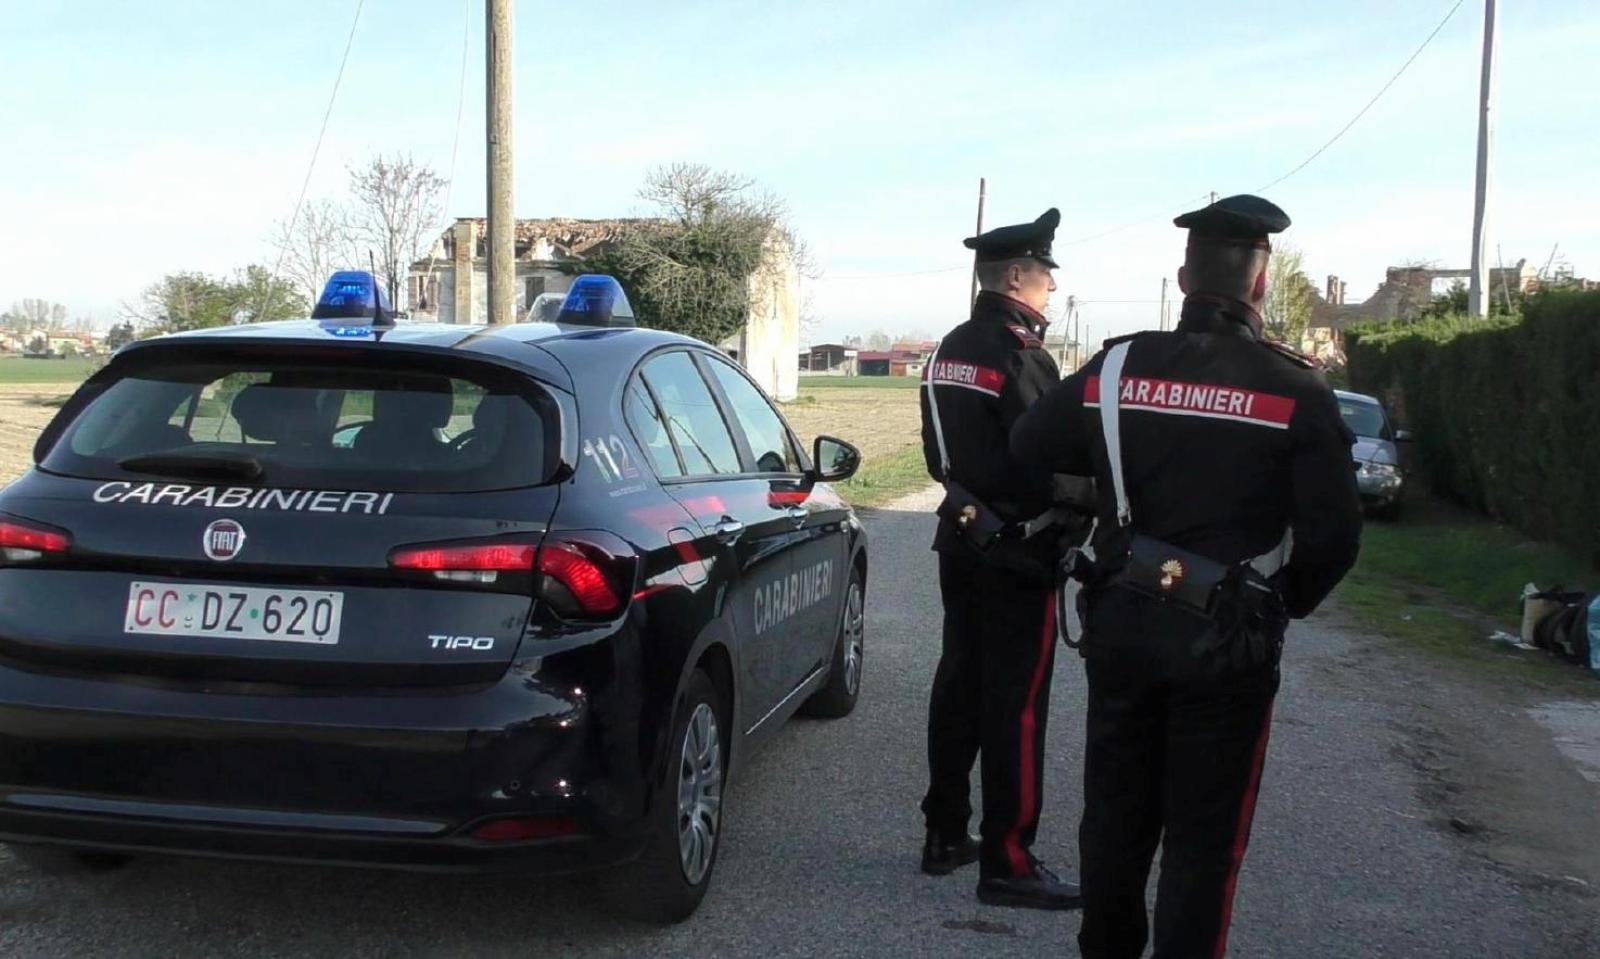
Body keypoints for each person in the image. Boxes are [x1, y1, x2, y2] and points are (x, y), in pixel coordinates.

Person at [1009, 195, 1362, 957]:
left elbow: (1032, 446)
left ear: (1182, 276)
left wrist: (1103, 498)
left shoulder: (1119, 366)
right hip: (1227, 640)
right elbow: (1336, 537)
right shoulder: (1296, 390)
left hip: (1124, 622)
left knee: (1114, 818)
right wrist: (1282, 602)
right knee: (1205, 844)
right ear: (1261, 285)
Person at [918, 207, 1089, 911]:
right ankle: (1009, 861)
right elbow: (1050, 457)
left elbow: (936, 454)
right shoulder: (1021, 355)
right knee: (1015, 705)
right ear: (1017, 275)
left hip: (960, 539)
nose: (1050, 286)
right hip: (1019, 551)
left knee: (959, 683)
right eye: (1045, 273)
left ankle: (944, 834)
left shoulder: (948, 347)